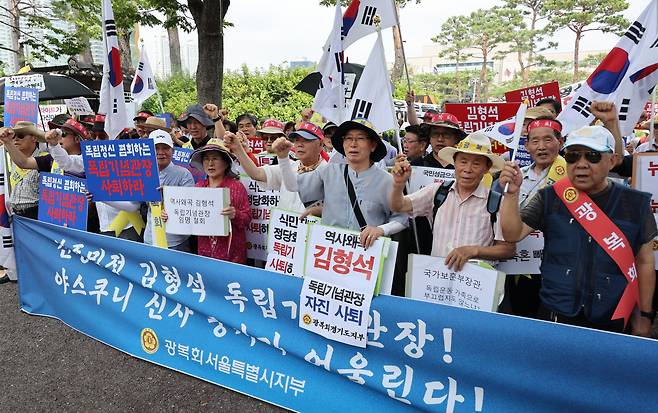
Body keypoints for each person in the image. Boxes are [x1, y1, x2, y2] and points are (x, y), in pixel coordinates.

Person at [498, 125, 657, 336]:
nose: (581, 164)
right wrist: (511, 194)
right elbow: (512, 234)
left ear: (612, 160)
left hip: (613, 314)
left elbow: (645, 262)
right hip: (557, 310)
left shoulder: (635, 203)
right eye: (573, 156)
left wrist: (644, 316)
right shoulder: (550, 197)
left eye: (592, 156)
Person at [390, 132, 515, 271]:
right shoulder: (438, 191)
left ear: (487, 168)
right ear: (454, 163)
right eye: (463, 161)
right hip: (438, 276)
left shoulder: (496, 202)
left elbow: (508, 250)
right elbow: (398, 206)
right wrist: (398, 184)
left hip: (474, 284)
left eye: (476, 164)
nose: (467, 169)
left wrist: (474, 251)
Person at [277, 118, 408, 248]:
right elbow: (292, 186)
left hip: (367, 256)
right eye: (348, 138)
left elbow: (402, 219)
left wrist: (381, 230)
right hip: (330, 254)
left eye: (360, 138)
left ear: (373, 145)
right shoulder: (329, 171)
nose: (353, 144)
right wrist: (283, 157)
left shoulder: (387, 180)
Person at [118, 130, 195, 250]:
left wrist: (171, 196)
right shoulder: (142, 174)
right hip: (150, 238)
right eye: (156, 148)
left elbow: (191, 207)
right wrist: (101, 198)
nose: (161, 153)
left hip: (176, 242)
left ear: (172, 150)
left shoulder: (184, 174)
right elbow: (134, 206)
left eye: (165, 148)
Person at [226, 122, 327, 212]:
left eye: (306, 140)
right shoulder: (289, 166)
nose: (299, 144)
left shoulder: (330, 172)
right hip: (285, 230)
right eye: (296, 140)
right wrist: (237, 149)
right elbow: (256, 174)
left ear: (321, 144)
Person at [186, 139, 251, 264]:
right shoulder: (198, 187)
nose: (210, 163)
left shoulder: (236, 187)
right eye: (206, 159)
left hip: (232, 255)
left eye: (215, 159)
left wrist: (235, 214)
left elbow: (247, 218)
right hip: (204, 252)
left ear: (226, 163)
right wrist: (171, 216)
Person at [0, 122, 45, 218]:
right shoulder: (12, 156)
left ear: (34, 138)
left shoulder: (44, 160)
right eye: (13, 136)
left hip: (36, 216)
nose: (15, 139)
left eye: (20, 135)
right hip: (15, 216)